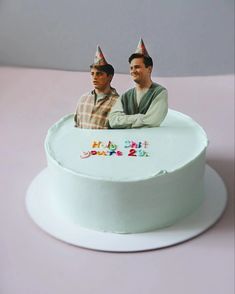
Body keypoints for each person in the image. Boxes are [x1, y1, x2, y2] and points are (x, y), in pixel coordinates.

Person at [108, 38, 168, 128]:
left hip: (151, 141)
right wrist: (140, 118)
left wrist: (125, 121)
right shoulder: (125, 96)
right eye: (131, 68)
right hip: (127, 141)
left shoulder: (159, 92)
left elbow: (153, 120)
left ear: (149, 69)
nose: (133, 71)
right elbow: (113, 121)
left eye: (137, 67)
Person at [74, 46, 119, 129]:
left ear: (110, 77)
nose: (94, 77)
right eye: (92, 74)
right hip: (82, 141)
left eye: (99, 74)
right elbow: (76, 126)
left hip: (105, 141)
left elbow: (120, 131)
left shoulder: (118, 102)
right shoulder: (83, 99)